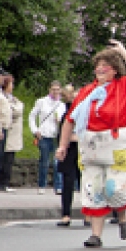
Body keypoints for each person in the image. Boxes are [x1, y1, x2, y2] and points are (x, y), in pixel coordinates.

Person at [55, 40, 126, 248]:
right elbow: (70, 120)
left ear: (114, 70)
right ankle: (96, 235)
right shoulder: (86, 92)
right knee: (94, 188)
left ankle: (123, 215)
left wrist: (122, 51)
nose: (99, 70)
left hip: (118, 145)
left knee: (113, 187)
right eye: (97, 67)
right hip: (91, 145)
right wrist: (63, 146)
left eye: (104, 66)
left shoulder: (124, 86)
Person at [26, 80, 64, 194]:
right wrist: (35, 130)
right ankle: (42, 185)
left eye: (57, 89)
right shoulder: (41, 102)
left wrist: (60, 122)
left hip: (57, 135)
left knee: (57, 162)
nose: (55, 92)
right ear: (49, 90)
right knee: (44, 161)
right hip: (44, 135)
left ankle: (58, 186)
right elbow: (32, 116)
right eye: (53, 89)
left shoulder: (62, 105)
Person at [56, 94, 82, 227]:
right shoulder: (68, 114)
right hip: (69, 152)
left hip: (84, 152)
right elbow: (62, 133)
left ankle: (89, 215)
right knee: (68, 182)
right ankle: (66, 214)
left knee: (86, 184)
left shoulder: (89, 114)